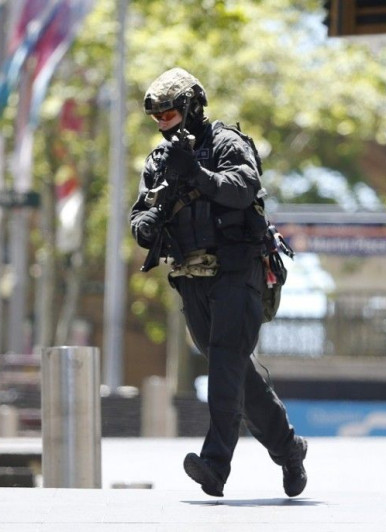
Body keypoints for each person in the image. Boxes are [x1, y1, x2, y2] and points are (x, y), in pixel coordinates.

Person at [130, 67, 307, 498]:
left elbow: (244, 187)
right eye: (157, 116)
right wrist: (146, 224)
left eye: (170, 113)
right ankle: (288, 449)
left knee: (226, 362)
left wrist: (198, 176)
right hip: (191, 279)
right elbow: (138, 219)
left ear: (190, 107)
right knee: (235, 372)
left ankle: (214, 466)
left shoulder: (227, 143)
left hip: (236, 270)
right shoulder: (158, 160)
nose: (163, 122)